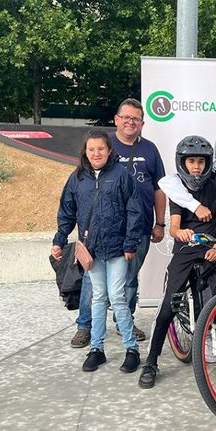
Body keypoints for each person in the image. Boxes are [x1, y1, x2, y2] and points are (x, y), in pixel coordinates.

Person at [69, 99, 166, 348]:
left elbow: (159, 188)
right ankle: (85, 326)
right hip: (101, 231)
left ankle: (126, 320)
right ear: (116, 119)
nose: (130, 122)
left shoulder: (150, 150)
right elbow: (82, 182)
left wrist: (160, 223)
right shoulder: (103, 145)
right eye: (126, 117)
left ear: (142, 123)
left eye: (136, 118)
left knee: (130, 278)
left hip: (139, 227)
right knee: (93, 281)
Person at [138, 135, 216, 389]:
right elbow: (174, 227)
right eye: (191, 161)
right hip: (186, 250)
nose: (196, 166)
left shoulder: (215, 188)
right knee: (168, 305)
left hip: (210, 248)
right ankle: (151, 361)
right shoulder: (178, 190)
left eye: (201, 161)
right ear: (183, 163)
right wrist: (182, 234)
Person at [52, 130, 143, 373]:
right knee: (98, 297)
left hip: (117, 250)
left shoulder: (122, 175)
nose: (96, 153)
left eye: (101, 149)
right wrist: (59, 240)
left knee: (117, 297)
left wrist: (130, 244)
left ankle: (131, 349)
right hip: (91, 251)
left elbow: (134, 210)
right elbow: (67, 211)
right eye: (91, 149)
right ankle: (96, 349)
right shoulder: (77, 178)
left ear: (110, 150)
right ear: (85, 152)